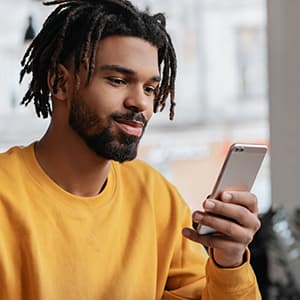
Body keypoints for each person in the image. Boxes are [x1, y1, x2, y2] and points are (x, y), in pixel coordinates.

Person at [0, 0, 262, 299]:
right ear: (60, 82)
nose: (140, 103)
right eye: (118, 80)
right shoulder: (6, 194)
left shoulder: (156, 196)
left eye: (150, 88)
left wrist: (229, 260)